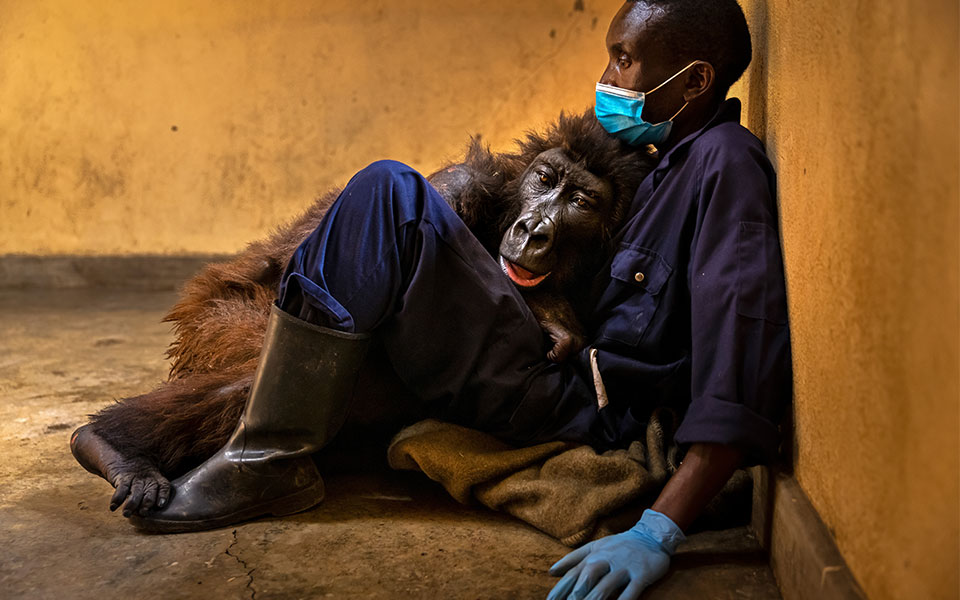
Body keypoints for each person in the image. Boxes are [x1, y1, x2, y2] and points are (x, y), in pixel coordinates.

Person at [132, 1, 791, 598]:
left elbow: (739, 359)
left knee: (391, 195)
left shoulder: (724, 165)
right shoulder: (648, 153)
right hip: (541, 356)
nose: (610, 76)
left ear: (697, 80)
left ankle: (268, 458)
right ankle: (264, 430)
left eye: (625, 58)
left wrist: (658, 529)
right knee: (399, 203)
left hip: (572, 402)